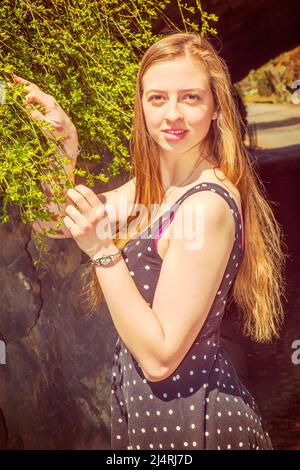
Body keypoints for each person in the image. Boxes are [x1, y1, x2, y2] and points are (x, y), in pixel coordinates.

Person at [11, 31, 286, 450]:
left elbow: (160, 359)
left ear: (215, 107)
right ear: (141, 106)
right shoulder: (154, 187)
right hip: (152, 417)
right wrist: (63, 145)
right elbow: (57, 223)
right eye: (157, 98)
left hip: (195, 424)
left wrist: (103, 251)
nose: (172, 114)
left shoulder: (205, 205)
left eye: (190, 98)